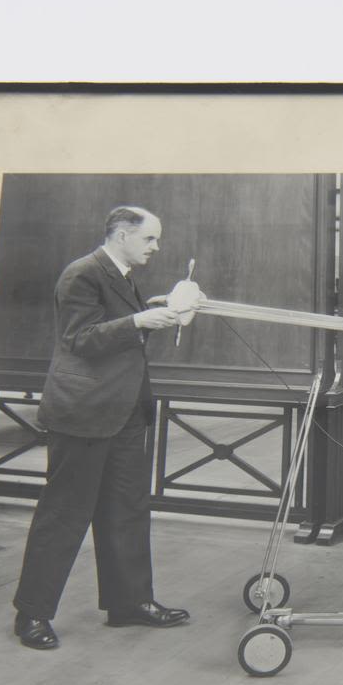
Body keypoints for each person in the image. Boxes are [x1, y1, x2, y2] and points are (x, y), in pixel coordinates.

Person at [11, 205, 201, 650]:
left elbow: (109, 330)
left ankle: (129, 603)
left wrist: (148, 311)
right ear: (121, 235)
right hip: (84, 413)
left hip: (123, 411)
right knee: (64, 514)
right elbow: (79, 339)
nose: (156, 247)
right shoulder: (82, 273)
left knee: (127, 510)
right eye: (149, 239)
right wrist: (136, 321)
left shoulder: (119, 274)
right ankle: (32, 615)